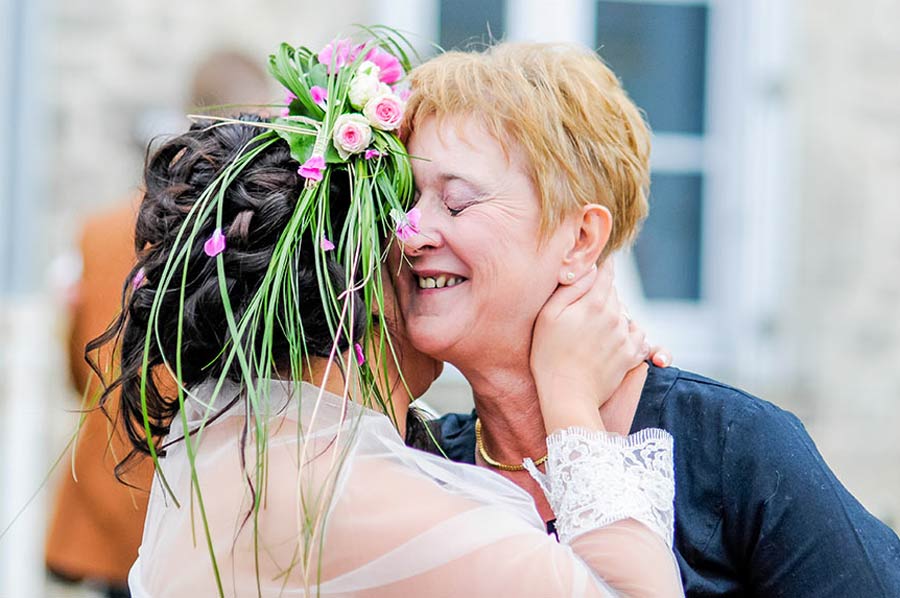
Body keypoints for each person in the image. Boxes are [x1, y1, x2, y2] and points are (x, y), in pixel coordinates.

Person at [99, 36, 683, 596]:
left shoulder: (234, 456)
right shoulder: (351, 494)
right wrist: (573, 402)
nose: (418, 239)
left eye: (452, 203)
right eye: (401, 218)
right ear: (356, 283)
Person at [391, 41, 900, 596]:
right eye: (405, 200)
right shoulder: (421, 462)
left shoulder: (735, 447)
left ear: (581, 239)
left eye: (458, 200)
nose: (410, 233)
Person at [44, 50, 271, 597]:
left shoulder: (99, 231)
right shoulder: (262, 231)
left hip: (114, 485)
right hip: (205, 508)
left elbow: (81, 366)